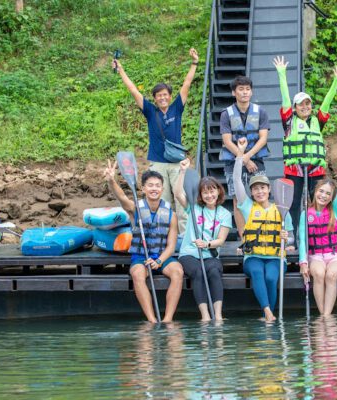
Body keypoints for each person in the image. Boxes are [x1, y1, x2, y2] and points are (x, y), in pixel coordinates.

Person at [113, 48, 200, 236]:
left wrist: (194, 62)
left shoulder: (176, 108)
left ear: (169, 96)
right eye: (159, 95)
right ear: (155, 98)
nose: (162, 97)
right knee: (164, 202)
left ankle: (185, 237)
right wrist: (121, 70)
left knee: (182, 200)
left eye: (165, 94)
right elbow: (133, 90)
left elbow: (186, 84)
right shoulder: (150, 111)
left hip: (177, 163)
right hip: (158, 163)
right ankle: (166, 236)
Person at [104, 160, 184, 323]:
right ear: (143, 188)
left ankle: (168, 319)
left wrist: (159, 260)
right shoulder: (135, 209)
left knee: (178, 271)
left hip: (162, 257)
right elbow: (122, 197)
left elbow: (171, 246)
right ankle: (152, 320)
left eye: (157, 185)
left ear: (162, 189)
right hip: (141, 257)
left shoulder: (171, 214)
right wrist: (111, 181)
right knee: (137, 274)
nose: (154, 188)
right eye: (150, 185)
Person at [273, 56, 337, 238]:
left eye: (308, 103)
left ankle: (318, 233)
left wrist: (336, 81)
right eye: (301, 104)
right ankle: (294, 236)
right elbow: (285, 98)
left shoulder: (317, 121)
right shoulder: (289, 120)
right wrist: (282, 73)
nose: (305, 106)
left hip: (315, 169)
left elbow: (327, 103)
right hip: (294, 169)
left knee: (319, 201)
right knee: (294, 203)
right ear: (295, 107)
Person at [233, 137, 294, 322]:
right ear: (251, 193)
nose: (259, 192)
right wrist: (240, 153)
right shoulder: (247, 206)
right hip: (253, 256)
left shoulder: (282, 209)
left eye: (263, 188)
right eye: (256, 189)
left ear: (269, 190)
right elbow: (236, 180)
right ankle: (268, 313)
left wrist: (287, 238)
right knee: (258, 273)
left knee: (271, 278)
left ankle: (268, 315)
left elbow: (291, 238)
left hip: (276, 256)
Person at [299, 155, 337, 316]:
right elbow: (302, 240)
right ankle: (323, 315)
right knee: (319, 274)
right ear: (315, 192)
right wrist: (303, 262)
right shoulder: (306, 214)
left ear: (331, 197)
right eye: (321, 191)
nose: (323, 195)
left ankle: (326, 317)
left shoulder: (335, 210)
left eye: (328, 193)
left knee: (331, 275)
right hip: (315, 256)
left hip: (336, 256)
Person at [173, 159, 232, 321]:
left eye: (212, 191)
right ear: (200, 195)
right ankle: (205, 316)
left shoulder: (225, 214)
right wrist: (183, 172)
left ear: (218, 192)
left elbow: (221, 240)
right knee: (198, 272)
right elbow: (178, 193)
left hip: (210, 253)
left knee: (214, 271)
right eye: (205, 192)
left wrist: (207, 244)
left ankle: (218, 315)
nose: (209, 195)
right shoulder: (194, 207)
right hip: (189, 253)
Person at [219, 75, 270, 238]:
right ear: (234, 93)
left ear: (251, 92)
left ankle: (262, 234)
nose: (245, 92)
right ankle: (244, 238)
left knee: (261, 196)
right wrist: (244, 160)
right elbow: (227, 141)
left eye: (248, 89)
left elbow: (263, 138)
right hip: (233, 161)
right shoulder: (226, 114)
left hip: (256, 159)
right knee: (238, 200)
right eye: (241, 89)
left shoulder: (260, 111)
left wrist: (247, 157)